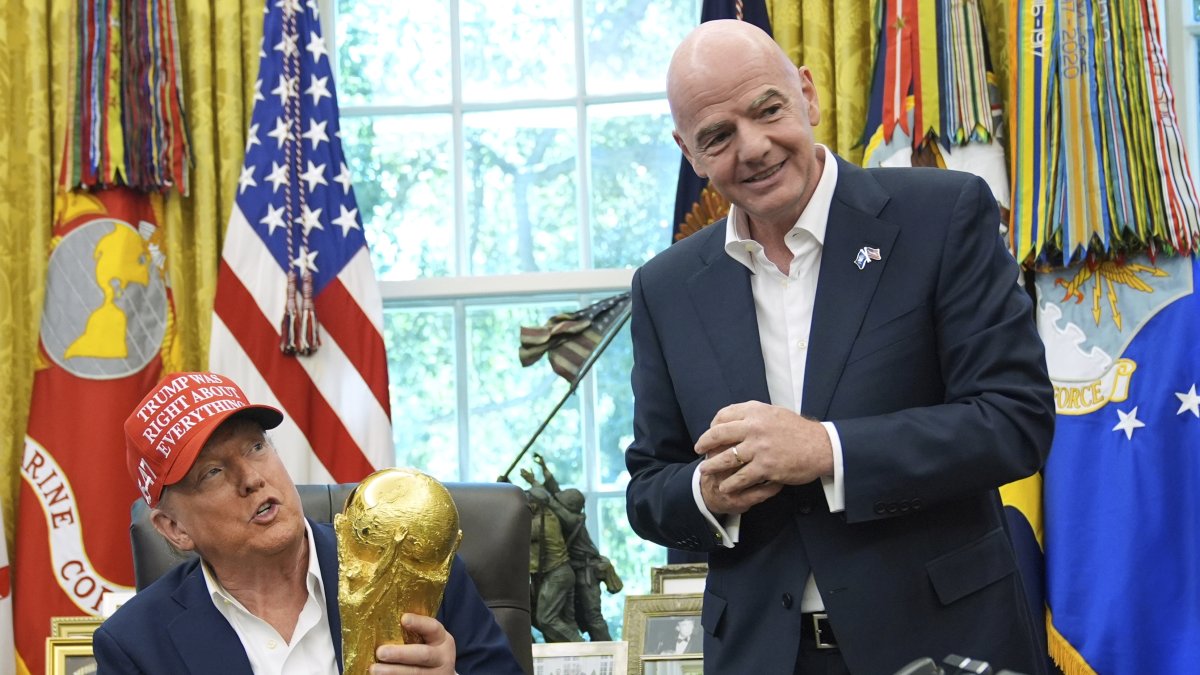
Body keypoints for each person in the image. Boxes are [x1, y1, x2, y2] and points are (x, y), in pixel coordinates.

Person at [624, 20, 1055, 675]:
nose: (754, 147)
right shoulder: (665, 287)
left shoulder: (944, 216)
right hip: (761, 656)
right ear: (689, 152)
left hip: (940, 640)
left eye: (768, 110)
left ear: (808, 94)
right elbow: (650, 485)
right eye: (718, 136)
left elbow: (1013, 419)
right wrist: (707, 491)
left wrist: (824, 450)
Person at [93, 371, 523, 674]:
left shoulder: (414, 569)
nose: (252, 478)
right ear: (174, 529)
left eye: (256, 447)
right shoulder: (135, 646)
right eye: (213, 473)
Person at [521, 454, 623, 641]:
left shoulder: (572, 520)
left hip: (587, 571)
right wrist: (542, 470)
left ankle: (608, 653)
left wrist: (534, 483)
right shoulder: (564, 515)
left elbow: (549, 500)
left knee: (592, 618)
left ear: (569, 507)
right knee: (568, 618)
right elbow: (553, 493)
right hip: (572, 569)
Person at [524, 467, 582, 643]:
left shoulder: (540, 524)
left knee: (546, 619)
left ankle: (581, 646)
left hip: (557, 575)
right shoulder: (549, 513)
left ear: (536, 505)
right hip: (557, 574)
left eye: (529, 502)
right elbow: (542, 494)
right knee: (537, 616)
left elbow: (513, 526)